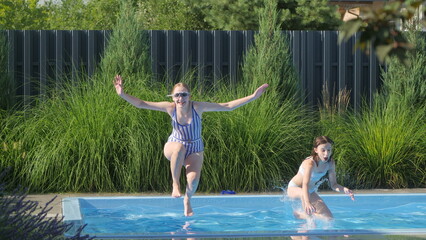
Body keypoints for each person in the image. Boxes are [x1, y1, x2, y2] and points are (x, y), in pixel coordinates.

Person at [113, 75, 268, 216]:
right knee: (179, 148)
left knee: (193, 182)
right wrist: (122, 94)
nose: (181, 98)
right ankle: (175, 184)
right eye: (177, 95)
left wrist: (253, 97)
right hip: (174, 145)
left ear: (189, 96)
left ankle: (187, 200)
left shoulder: (198, 107)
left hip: (195, 148)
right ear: (172, 98)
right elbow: (141, 103)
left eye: (184, 94)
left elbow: (227, 106)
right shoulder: (170, 107)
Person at [287, 136, 355, 220]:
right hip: (295, 188)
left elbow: (334, 185)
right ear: (316, 150)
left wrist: (344, 189)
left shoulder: (330, 163)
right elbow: (305, 184)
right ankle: (307, 216)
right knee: (305, 198)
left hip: (310, 191)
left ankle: (300, 215)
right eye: (323, 150)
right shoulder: (310, 163)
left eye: (329, 150)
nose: (326, 154)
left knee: (329, 218)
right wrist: (307, 202)